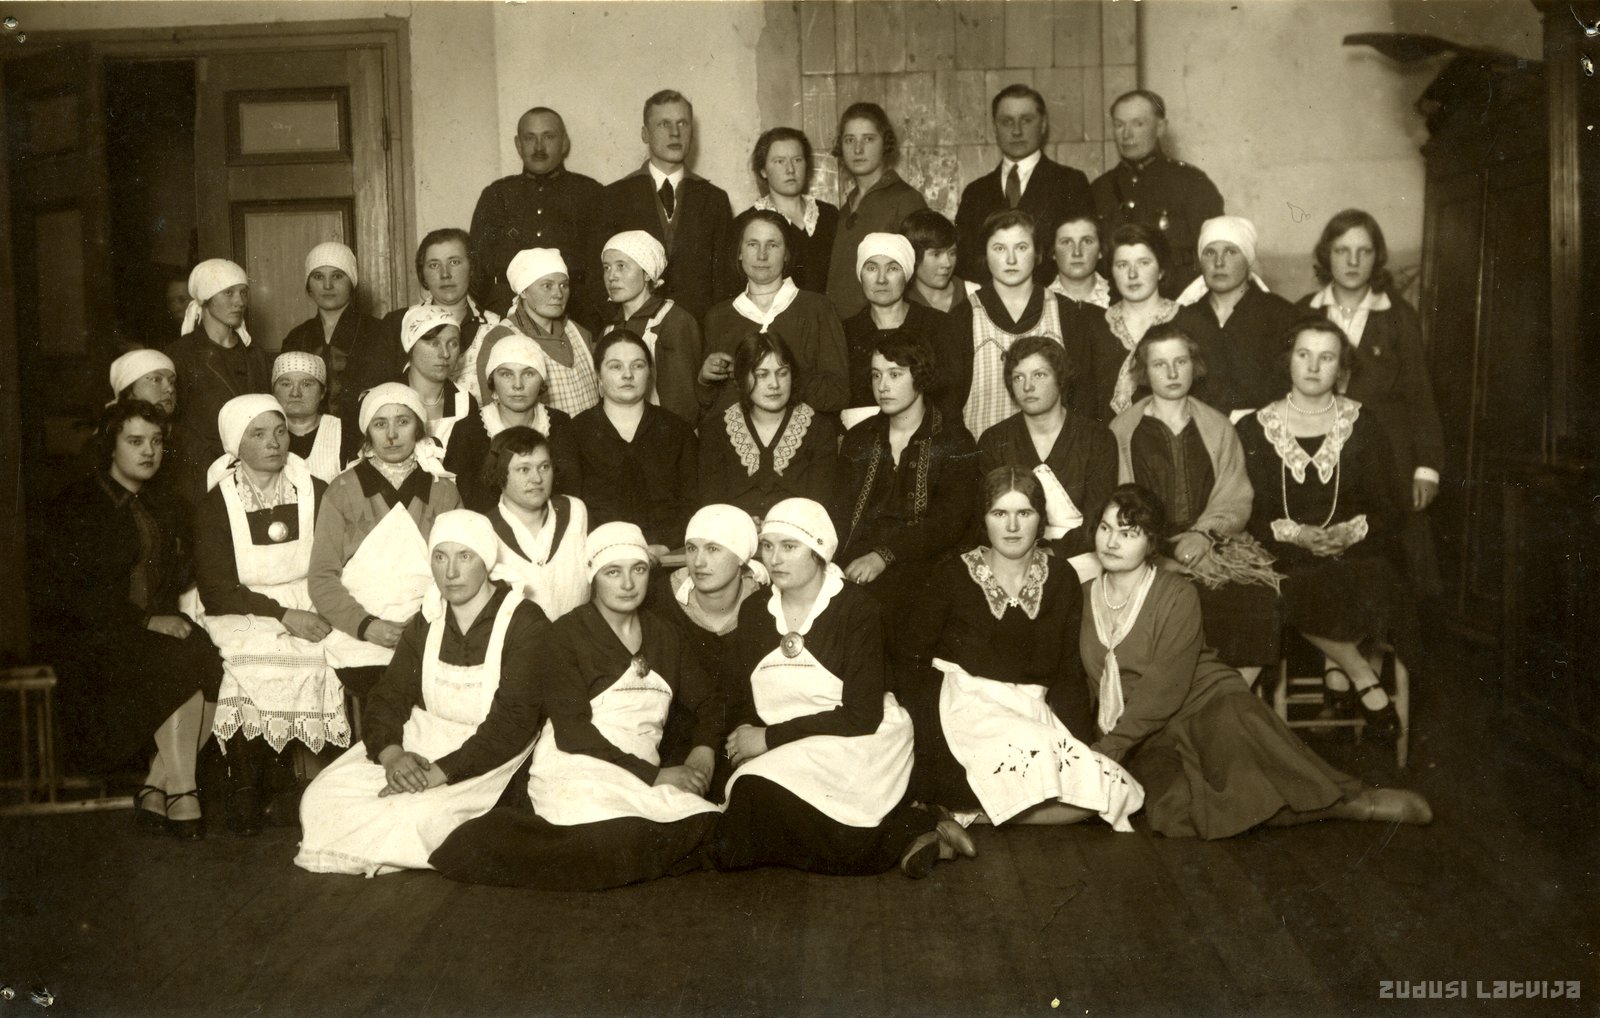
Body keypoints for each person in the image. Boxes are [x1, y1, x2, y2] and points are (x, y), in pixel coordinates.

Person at [1080, 485, 1432, 838]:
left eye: (1128, 533)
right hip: (1147, 732)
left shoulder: (1177, 594)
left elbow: (1163, 689)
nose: (1111, 542)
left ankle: (1354, 804)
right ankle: (1286, 806)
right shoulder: (1083, 596)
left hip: (1209, 706)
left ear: (1151, 542)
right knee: (1176, 814)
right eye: (1106, 528)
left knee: (1248, 785)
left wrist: (1106, 751)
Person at [429, 522, 723, 890]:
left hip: (637, 763)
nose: (627, 584)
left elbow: (710, 701)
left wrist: (703, 751)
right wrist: (655, 776)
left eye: (638, 569)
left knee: (706, 825)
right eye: (612, 572)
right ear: (592, 576)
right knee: (607, 836)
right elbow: (572, 732)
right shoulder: (566, 633)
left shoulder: (664, 633)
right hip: (579, 765)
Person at [711, 498, 973, 878]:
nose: (774, 559)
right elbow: (745, 695)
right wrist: (745, 737)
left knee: (760, 804)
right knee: (740, 824)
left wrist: (768, 739)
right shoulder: (755, 612)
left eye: (789, 546)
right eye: (767, 546)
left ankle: (916, 828)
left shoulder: (857, 609)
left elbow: (861, 716)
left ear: (818, 551)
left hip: (856, 738)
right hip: (791, 741)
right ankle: (921, 829)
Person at [296, 510, 549, 876]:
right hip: (423, 741)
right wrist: (393, 756)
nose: (451, 572)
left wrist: (438, 774)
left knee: (416, 815)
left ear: (487, 561)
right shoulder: (427, 619)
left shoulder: (525, 621)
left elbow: (512, 724)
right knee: (321, 798)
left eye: (465, 556)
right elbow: (389, 696)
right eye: (440, 557)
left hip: (487, 755)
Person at [896, 468, 1142, 829]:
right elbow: (912, 659)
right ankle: (964, 807)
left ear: (1041, 518)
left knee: (1111, 789)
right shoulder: (952, 574)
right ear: (984, 518)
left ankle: (968, 817)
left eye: (1024, 513)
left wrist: (1081, 744)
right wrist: (923, 733)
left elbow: (1068, 671)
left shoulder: (1060, 577)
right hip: (962, 708)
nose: (1012, 526)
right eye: (999, 513)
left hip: (1028, 709)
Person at [41, 401, 222, 838]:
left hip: (152, 629)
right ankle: (183, 791)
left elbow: (182, 571)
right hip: (95, 635)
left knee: (213, 658)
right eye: (135, 441)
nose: (149, 451)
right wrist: (144, 622)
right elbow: (70, 591)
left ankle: (156, 787)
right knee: (178, 661)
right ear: (110, 445)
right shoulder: (78, 503)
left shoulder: (166, 504)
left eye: (156, 442)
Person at [1235, 319, 1419, 736]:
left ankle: (1338, 670)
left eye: (1327, 357)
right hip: (1283, 549)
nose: (1314, 367)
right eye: (1304, 355)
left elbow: (1388, 508)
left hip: (1354, 549)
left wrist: (1349, 532)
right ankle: (1359, 673)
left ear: (1341, 369)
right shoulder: (1255, 428)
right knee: (1291, 584)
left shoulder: (1363, 423)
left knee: (1373, 576)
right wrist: (1296, 534)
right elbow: (1247, 510)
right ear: (1288, 360)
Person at [190, 395, 339, 836]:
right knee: (249, 659)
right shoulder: (216, 504)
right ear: (235, 444)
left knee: (327, 655)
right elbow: (216, 590)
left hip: (310, 597)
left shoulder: (315, 490)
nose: (274, 443)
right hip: (242, 606)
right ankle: (246, 784)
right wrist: (283, 615)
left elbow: (334, 562)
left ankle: (303, 785)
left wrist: (311, 608)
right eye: (258, 434)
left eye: (279, 432)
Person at [1109, 324, 1281, 677]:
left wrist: (1204, 535)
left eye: (1181, 362)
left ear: (1194, 365)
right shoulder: (1122, 431)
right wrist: (1158, 554)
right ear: (1143, 372)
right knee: (1174, 605)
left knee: (1257, 600)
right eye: (1160, 364)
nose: (1172, 373)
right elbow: (1120, 504)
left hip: (1213, 545)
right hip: (1148, 549)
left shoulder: (1218, 426)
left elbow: (1234, 495)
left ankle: (1231, 698)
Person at [1298, 208, 1445, 595]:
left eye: (1363, 251)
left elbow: (1420, 395)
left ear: (1376, 257)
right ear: (1326, 255)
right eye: (1342, 250)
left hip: (1389, 457)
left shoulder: (1398, 315)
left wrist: (1426, 468)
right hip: (1323, 451)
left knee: (1393, 563)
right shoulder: (1305, 311)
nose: (1352, 261)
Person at [309, 383, 461, 695]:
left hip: (430, 625)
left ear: (418, 427)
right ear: (367, 432)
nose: (392, 435)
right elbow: (322, 578)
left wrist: (421, 625)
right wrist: (367, 626)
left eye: (402, 422)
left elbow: (461, 572)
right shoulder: (342, 491)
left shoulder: (443, 490)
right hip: (360, 630)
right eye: (380, 424)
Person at [835, 333, 979, 636]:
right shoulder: (859, 438)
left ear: (920, 376)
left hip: (928, 564)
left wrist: (884, 556)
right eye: (876, 375)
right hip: (857, 561)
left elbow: (949, 522)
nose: (882, 386)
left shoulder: (954, 440)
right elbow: (840, 512)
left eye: (895, 374)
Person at [700, 208, 850, 418]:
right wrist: (705, 380)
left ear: (787, 254)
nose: (762, 255)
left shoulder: (817, 308)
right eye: (752, 244)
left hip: (802, 434)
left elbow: (838, 393)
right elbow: (708, 405)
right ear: (739, 252)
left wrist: (774, 375)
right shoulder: (718, 316)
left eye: (772, 245)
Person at [601, 89, 735, 321]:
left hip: (698, 331)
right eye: (664, 124)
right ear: (645, 134)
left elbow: (725, 281)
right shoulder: (614, 197)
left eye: (682, 123)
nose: (675, 133)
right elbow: (599, 279)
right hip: (633, 331)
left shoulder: (715, 199)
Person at [976, 335, 1114, 560]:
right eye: (1018, 377)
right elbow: (986, 519)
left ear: (1060, 379)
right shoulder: (994, 440)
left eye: (1039, 375)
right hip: (1013, 557)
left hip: (1083, 555)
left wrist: (1052, 553)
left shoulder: (1097, 438)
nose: (1027, 386)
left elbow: (1098, 520)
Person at [469, 107, 605, 328]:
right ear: (518, 144)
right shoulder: (496, 196)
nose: (539, 147)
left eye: (548, 137)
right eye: (530, 137)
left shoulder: (591, 194)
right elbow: (476, 269)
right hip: (506, 317)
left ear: (564, 143)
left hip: (575, 317)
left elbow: (600, 269)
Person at [566, 330, 698, 553]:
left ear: (650, 373)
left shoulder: (677, 430)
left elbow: (693, 501)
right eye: (615, 366)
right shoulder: (575, 432)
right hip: (599, 553)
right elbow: (571, 506)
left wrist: (666, 545)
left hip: (670, 553)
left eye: (637, 365)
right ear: (598, 375)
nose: (627, 375)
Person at [956, 83, 1094, 287]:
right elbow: (964, 262)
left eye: (1026, 120)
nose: (1017, 131)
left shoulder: (1070, 182)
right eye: (1007, 121)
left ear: (1043, 125)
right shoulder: (975, 192)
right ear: (995, 128)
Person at [947, 209, 1068, 440]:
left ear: (1037, 253)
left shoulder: (1064, 312)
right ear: (985, 253)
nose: (1011, 260)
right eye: (999, 248)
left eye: (1021, 248)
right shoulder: (962, 318)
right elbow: (949, 409)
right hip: (982, 454)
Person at [1090, 89, 1224, 297]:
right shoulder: (1100, 188)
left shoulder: (1191, 183)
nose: (1127, 134)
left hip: (1180, 301)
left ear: (1160, 127)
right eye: (1119, 125)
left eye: (1138, 124)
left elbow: (1215, 254)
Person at [698, 332, 839, 519]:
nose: (774, 384)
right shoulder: (716, 430)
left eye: (782, 373)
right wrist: (743, 525)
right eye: (762, 374)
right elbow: (711, 509)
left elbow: (818, 510)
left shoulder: (819, 429)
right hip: (734, 532)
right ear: (741, 378)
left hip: (797, 531)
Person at [1173, 216, 1299, 416]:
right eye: (1209, 253)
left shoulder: (1282, 316)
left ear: (1248, 260)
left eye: (1231, 252)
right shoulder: (1184, 319)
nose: (1219, 262)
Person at [167, 258, 269, 492]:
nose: (239, 302)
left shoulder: (255, 355)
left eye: (243, 292)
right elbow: (174, 425)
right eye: (228, 293)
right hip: (201, 475)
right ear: (206, 298)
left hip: (253, 472)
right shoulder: (180, 354)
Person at [444, 334, 573, 512]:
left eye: (528, 373)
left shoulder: (560, 423)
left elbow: (570, 494)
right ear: (492, 380)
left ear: (542, 380)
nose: (518, 385)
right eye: (506, 374)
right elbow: (456, 501)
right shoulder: (468, 430)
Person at [843, 232, 963, 420]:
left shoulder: (938, 326)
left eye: (892, 268)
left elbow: (950, 399)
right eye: (872, 268)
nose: (881, 279)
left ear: (907, 275)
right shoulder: (844, 333)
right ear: (860, 274)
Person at [825, 102, 927, 320]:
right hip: (841, 327)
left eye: (868, 139)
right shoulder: (845, 208)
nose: (858, 149)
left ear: (885, 143)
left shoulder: (906, 199)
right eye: (849, 140)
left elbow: (919, 280)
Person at [471, 248, 599, 421]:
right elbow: (494, 415)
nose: (558, 294)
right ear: (523, 291)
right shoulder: (502, 338)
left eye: (564, 285)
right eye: (547, 286)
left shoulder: (579, 332)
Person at [377, 229, 503, 401]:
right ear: (423, 274)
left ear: (471, 268)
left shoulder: (497, 327)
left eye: (454, 262)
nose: (445, 274)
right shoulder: (397, 324)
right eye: (434, 265)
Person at [480, 425, 590, 622]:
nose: (537, 478)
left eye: (544, 467)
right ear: (499, 473)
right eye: (524, 469)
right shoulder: (485, 529)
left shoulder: (574, 510)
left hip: (579, 635)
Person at [1078, 223, 1181, 422]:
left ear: (1161, 270)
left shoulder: (1189, 324)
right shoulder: (1093, 328)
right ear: (1111, 272)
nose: (1132, 274)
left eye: (1143, 263)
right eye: (1122, 265)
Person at [599, 230, 703, 426]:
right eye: (607, 267)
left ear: (646, 273)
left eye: (621, 266)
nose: (611, 276)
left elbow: (683, 405)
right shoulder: (610, 328)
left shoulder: (674, 321)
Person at [279, 241, 383, 417]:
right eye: (318, 277)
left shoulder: (378, 331)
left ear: (352, 282)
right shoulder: (296, 337)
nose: (327, 285)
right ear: (308, 286)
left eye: (337, 276)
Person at [103, 348, 204, 501]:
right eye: (156, 380)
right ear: (128, 390)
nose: (170, 389)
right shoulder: (103, 441)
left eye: (172, 382)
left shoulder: (189, 441)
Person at [750, 126, 838, 294]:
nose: (790, 169)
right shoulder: (748, 223)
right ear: (763, 170)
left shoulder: (830, 215)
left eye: (797, 160)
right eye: (779, 161)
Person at [399, 305, 477, 451]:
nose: (445, 353)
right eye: (434, 343)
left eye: (453, 344)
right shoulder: (384, 398)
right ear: (411, 347)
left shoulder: (464, 402)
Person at [272, 352, 356, 483]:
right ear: (273, 391)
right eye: (286, 384)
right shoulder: (263, 432)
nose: (295, 393)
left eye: (306, 384)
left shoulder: (344, 432)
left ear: (322, 392)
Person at [1047, 213, 1113, 347]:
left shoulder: (1122, 299)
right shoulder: (1040, 303)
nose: (1077, 252)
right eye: (1066, 242)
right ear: (1053, 252)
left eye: (1087, 241)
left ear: (1100, 250)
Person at [901, 208, 970, 315]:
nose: (947, 264)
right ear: (913, 255)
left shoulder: (972, 294)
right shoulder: (900, 303)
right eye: (936, 254)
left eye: (952, 253)